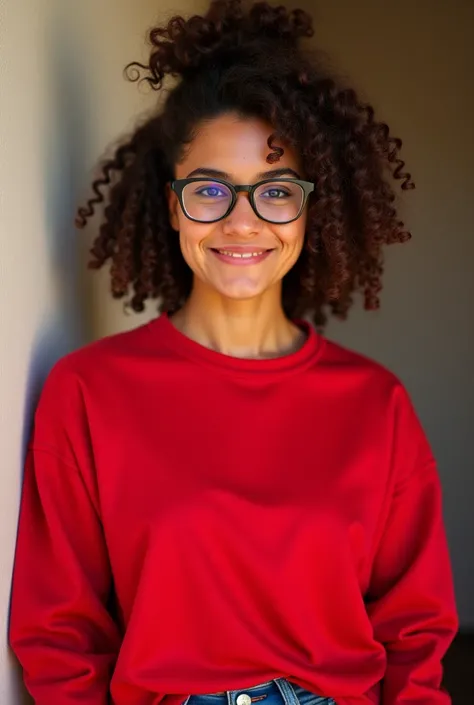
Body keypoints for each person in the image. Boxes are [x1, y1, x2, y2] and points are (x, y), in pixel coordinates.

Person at [9, 1, 458, 704]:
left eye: (275, 191)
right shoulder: (89, 391)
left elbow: (416, 632)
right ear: (170, 203)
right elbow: (58, 633)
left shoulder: (377, 403)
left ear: (313, 207)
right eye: (210, 189)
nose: (242, 220)